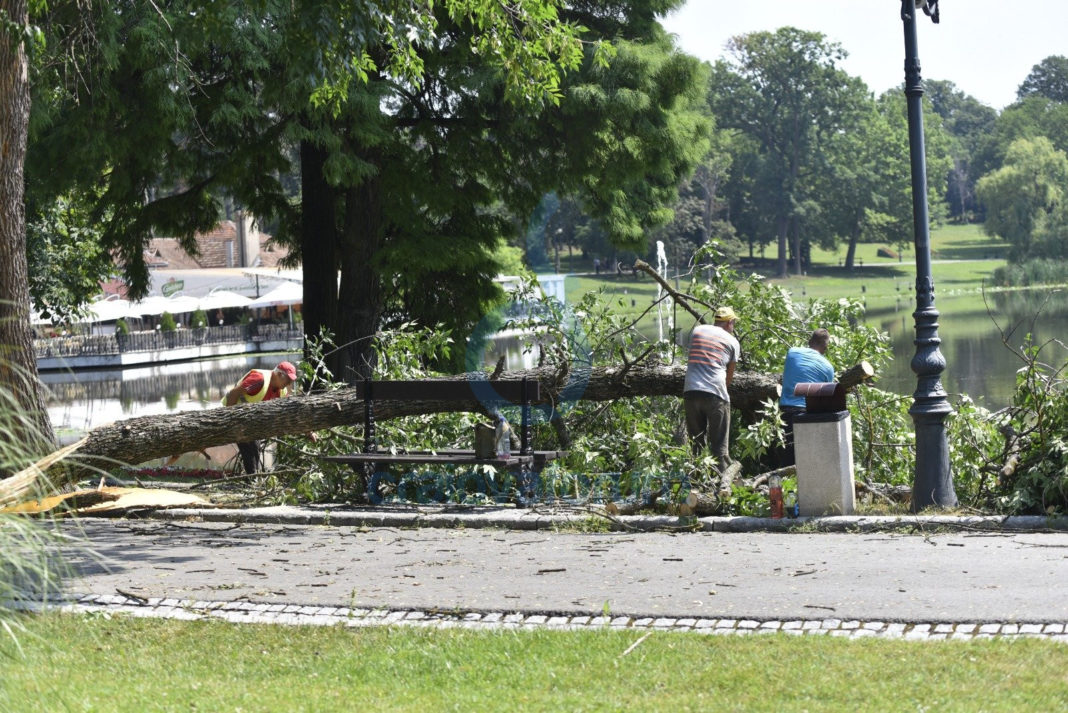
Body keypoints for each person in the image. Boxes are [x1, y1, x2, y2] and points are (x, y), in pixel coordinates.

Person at [683, 306, 740, 475]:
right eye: (734, 323)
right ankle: (722, 488)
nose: (734, 327)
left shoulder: (698, 330)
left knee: (696, 446)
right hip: (715, 394)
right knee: (719, 449)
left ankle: (696, 486)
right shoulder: (733, 342)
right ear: (729, 322)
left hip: (690, 392)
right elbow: (728, 378)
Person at [222, 360, 299, 474]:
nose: (288, 384)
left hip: (251, 421)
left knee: (254, 448)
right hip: (236, 416)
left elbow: (288, 413)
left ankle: (252, 479)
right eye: (288, 380)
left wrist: (309, 432)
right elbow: (234, 393)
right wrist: (230, 418)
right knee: (251, 448)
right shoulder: (259, 379)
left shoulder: (281, 391)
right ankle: (252, 480)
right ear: (279, 375)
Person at [776, 328, 835, 467]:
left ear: (809, 342)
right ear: (825, 347)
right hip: (809, 414)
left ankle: (786, 485)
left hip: (786, 412)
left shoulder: (792, 352)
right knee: (808, 457)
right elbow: (825, 398)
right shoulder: (828, 367)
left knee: (787, 458)